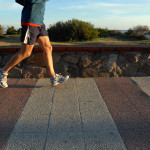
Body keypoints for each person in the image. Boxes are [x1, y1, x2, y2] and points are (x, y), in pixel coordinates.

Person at [0, 0, 69, 88]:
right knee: (26, 52)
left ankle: (53, 77)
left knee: (48, 48)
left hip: (39, 23)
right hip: (30, 22)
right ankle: (3, 72)